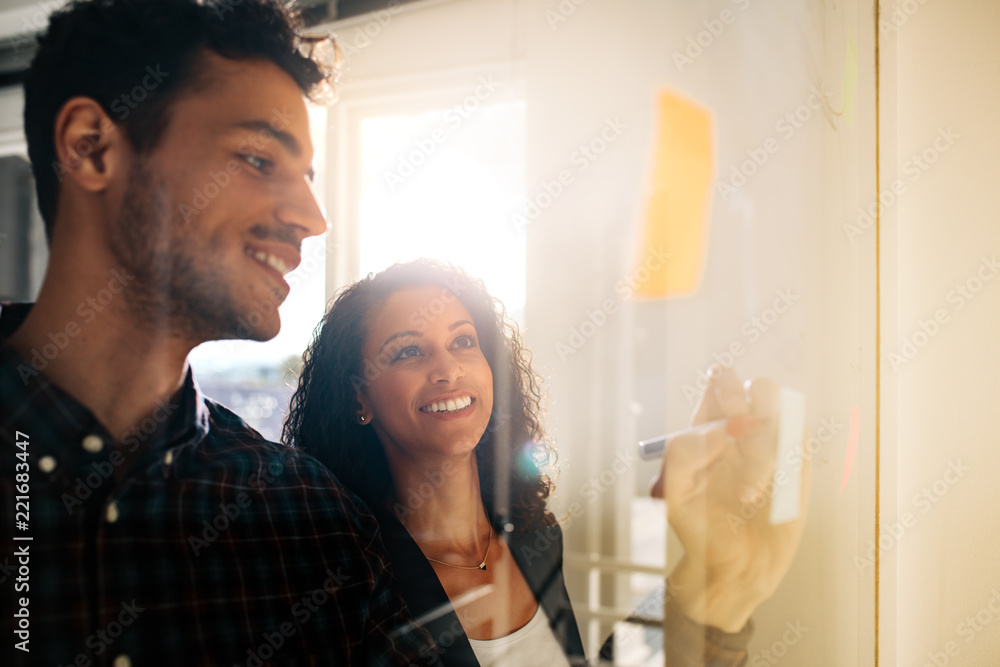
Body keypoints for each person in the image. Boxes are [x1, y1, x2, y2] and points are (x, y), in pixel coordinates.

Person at [0, 1, 440, 665]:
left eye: (307, 177)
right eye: (259, 158)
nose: (312, 219)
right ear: (91, 146)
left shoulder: (316, 524)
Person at [284, 259, 808, 666]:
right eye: (407, 352)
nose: (447, 368)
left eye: (463, 342)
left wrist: (716, 589)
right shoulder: (351, 577)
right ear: (359, 400)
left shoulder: (535, 536)